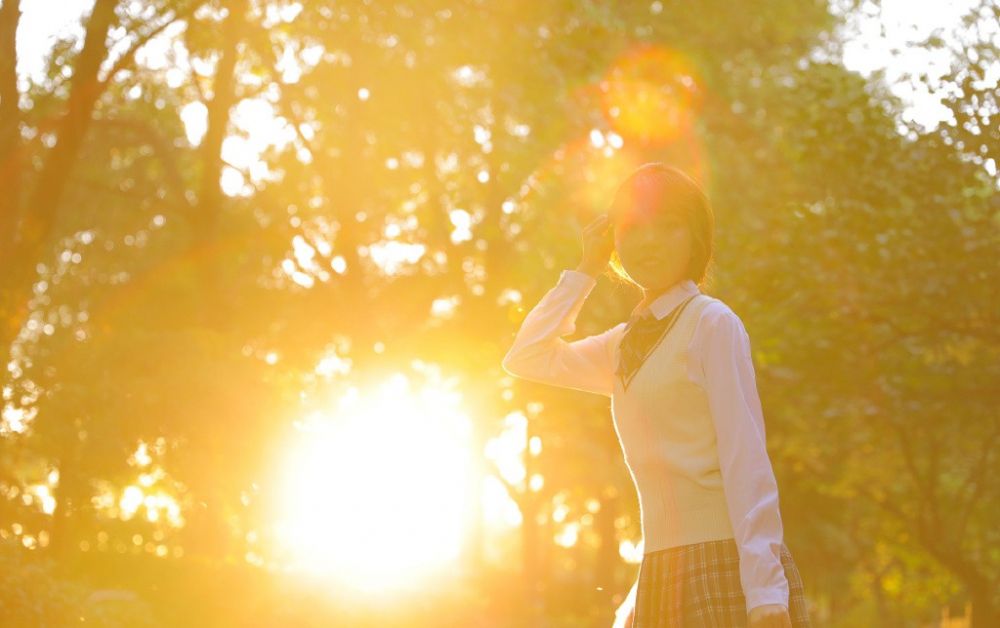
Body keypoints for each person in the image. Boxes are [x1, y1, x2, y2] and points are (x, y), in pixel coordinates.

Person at [501, 163, 811, 627]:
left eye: (668, 226)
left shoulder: (711, 323)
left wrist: (765, 592)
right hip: (661, 572)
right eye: (633, 227)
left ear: (695, 240)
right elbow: (527, 356)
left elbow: (745, 458)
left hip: (724, 567)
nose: (648, 241)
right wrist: (587, 267)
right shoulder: (624, 344)